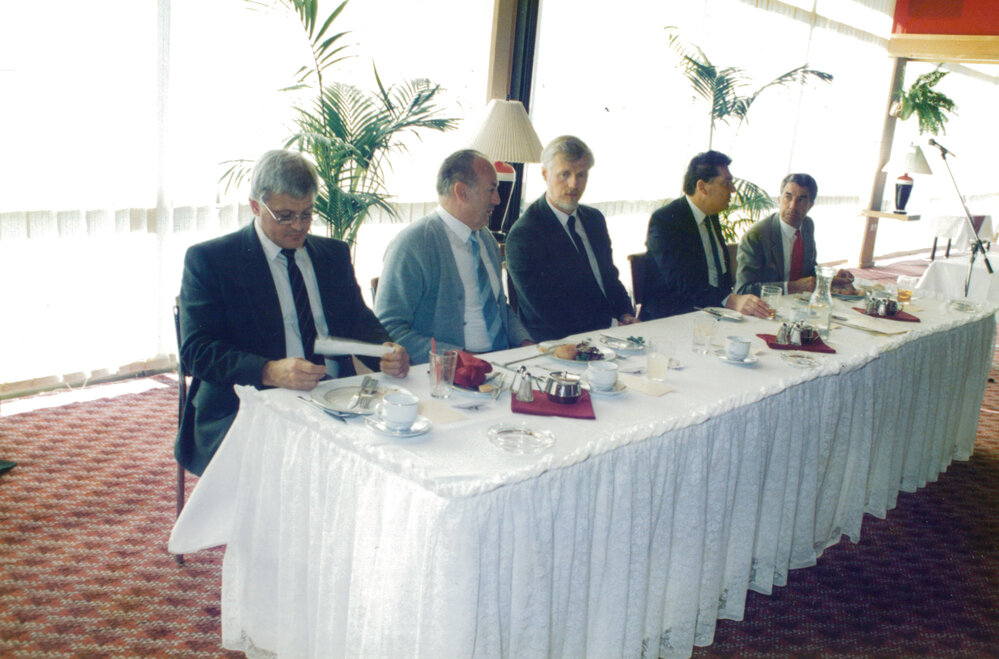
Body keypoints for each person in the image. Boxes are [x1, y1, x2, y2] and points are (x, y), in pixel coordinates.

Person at [176, 149, 409, 475]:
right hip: (251, 404)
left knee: (403, 447)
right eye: (285, 215)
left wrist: (384, 348)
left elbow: (358, 320)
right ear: (256, 206)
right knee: (294, 471)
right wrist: (269, 370)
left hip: (336, 398)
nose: (298, 226)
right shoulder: (213, 260)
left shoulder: (332, 255)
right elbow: (196, 352)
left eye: (306, 214)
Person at [375, 149, 533, 363]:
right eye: (491, 190)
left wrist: (525, 343)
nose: (497, 199)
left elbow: (499, 308)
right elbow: (389, 328)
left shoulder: (486, 238)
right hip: (448, 376)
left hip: (503, 364)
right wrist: (457, 359)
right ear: (462, 192)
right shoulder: (413, 244)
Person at [505, 135, 636, 342]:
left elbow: (609, 279)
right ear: (545, 174)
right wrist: (611, 325)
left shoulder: (594, 219)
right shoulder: (525, 234)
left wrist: (625, 314)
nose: (574, 184)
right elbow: (549, 310)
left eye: (581, 175)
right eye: (564, 174)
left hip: (609, 334)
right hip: (559, 344)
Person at [641, 150, 769, 320]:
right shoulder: (666, 220)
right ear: (702, 187)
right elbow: (680, 281)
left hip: (714, 312)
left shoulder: (711, 215)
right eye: (726, 183)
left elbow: (717, 275)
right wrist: (731, 300)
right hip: (673, 316)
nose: (733, 190)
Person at [736, 173, 854, 295]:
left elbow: (809, 272)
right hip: (767, 307)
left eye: (801, 200)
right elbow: (743, 290)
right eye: (788, 197)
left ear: (810, 206)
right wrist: (792, 287)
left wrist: (833, 279)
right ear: (779, 200)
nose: (792, 206)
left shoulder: (807, 225)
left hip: (798, 304)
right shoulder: (757, 235)